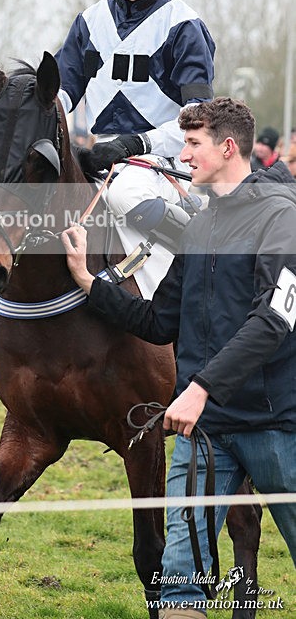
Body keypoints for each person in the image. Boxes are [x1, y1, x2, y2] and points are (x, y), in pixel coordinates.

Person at [61, 97, 296, 618]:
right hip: (204, 435)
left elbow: (274, 322)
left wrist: (200, 387)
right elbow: (158, 321)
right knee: (180, 585)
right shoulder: (200, 225)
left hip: (278, 428)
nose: (183, 156)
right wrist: (86, 281)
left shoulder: (282, 217)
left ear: (227, 148)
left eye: (193, 144)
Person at [55, 0, 215, 291]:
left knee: (127, 192)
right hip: (101, 157)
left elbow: (198, 121)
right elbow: (60, 92)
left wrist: (136, 143)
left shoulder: (184, 25)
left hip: (164, 160)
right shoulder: (89, 20)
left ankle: (203, 263)